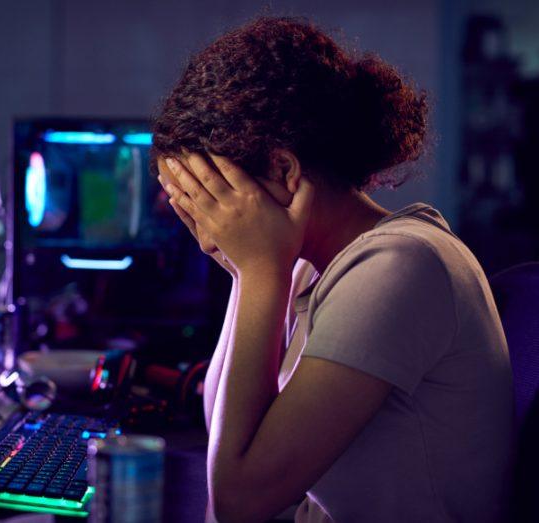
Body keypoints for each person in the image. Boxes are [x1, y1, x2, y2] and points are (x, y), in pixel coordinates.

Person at [150, 17, 513, 523]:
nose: (197, 217)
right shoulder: (304, 266)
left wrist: (258, 271)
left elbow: (238, 500)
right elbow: (226, 431)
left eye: (207, 196)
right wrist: (240, 269)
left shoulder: (401, 265)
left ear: (282, 171)